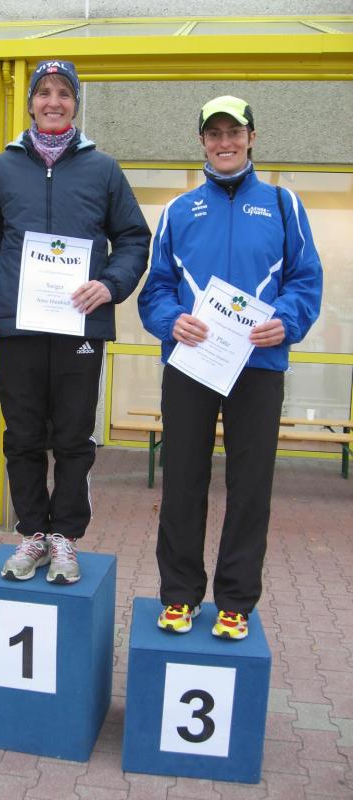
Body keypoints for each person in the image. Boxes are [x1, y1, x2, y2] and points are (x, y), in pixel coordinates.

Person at [138, 95, 322, 640]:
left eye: (234, 132)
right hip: (192, 363)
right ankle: (179, 596)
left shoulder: (284, 205)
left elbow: (305, 279)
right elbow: (156, 289)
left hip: (258, 364)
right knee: (182, 481)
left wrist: (286, 321)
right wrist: (170, 320)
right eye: (214, 133)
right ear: (202, 141)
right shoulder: (178, 210)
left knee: (251, 486)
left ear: (251, 138)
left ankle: (236, 602)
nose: (225, 142)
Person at [0, 60, 151, 585]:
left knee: (73, 437)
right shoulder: (3, 168)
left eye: (64, 93)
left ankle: (65, 537)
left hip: (80, 327)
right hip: (20, 327)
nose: (53, 101)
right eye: (44, 92)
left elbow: (134, 238)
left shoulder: (104, 169)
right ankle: (32, 533)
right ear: (30, 103)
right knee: (22, 436)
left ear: (75, 104)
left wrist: (110, 284)